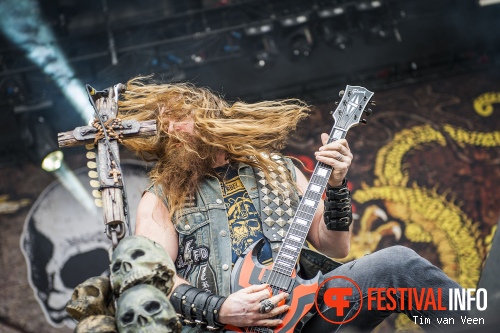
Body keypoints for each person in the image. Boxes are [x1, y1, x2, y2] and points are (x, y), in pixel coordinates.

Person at [118, 76, 468, 332]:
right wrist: (223, 308)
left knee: (398, 264)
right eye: (161, 124)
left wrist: (336, 185)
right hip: (221, 326)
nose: (168, 129)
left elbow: (336, 245)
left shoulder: (277, 169)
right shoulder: (161, 196)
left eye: (176, 118)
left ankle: (475, 325)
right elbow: (153, 278)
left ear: (209, 119)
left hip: (307, 311)